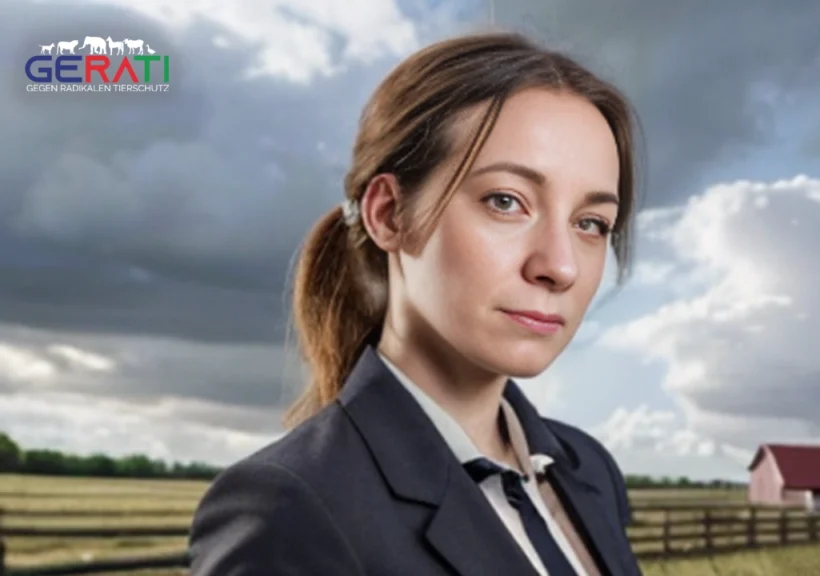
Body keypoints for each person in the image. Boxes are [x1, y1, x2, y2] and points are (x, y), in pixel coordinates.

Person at [188, 30, 643, 576]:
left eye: (591, 224)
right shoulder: (290, 507)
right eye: (506, 202)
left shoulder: (588, 468)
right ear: (388, 214)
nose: (560, 266)